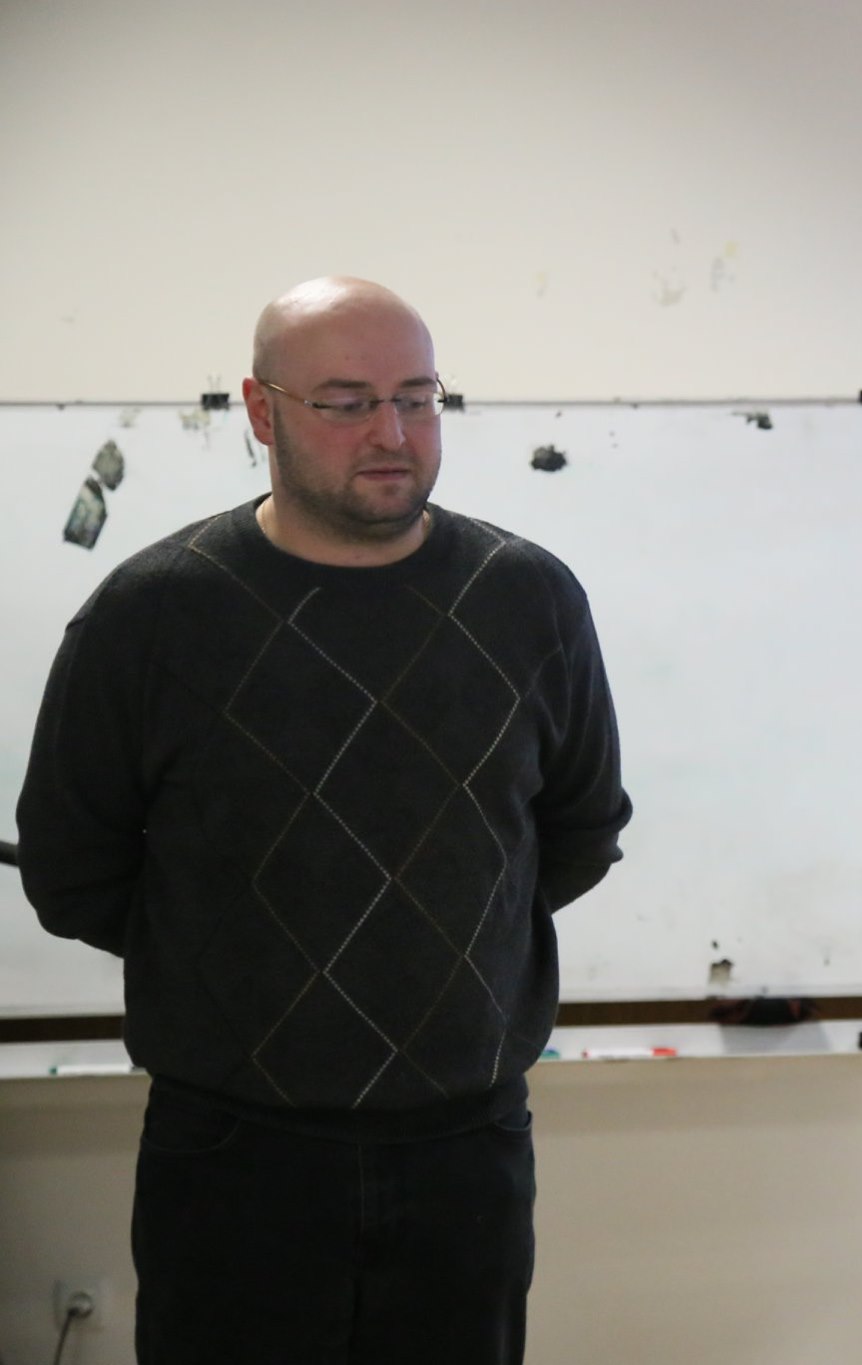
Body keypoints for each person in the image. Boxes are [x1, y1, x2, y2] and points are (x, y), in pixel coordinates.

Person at [16, 276, 633, 1364]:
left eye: (417, 398)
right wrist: (232, 958)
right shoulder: (153, 612)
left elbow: (577, 831)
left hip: (467, 1149)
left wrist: (439, 936)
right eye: (346, 403)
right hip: (232, 1154)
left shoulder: (529, 599)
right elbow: (72, 870)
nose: (391, 433)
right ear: (261, 412)